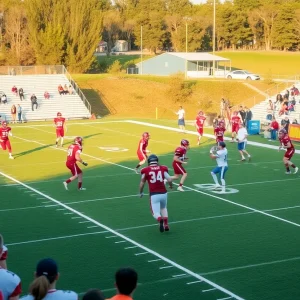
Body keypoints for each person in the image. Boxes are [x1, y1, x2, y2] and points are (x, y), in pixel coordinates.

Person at [139, 154, 173, 232]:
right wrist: (170, 186)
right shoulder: (163, 168)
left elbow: (142, 183)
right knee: (163, 208)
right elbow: (170, 179)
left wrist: (140, 192)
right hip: (164, 193)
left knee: (155, 212)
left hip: (154, 194)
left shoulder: (145, 170)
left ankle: (159, 219)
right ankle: (166, 224)